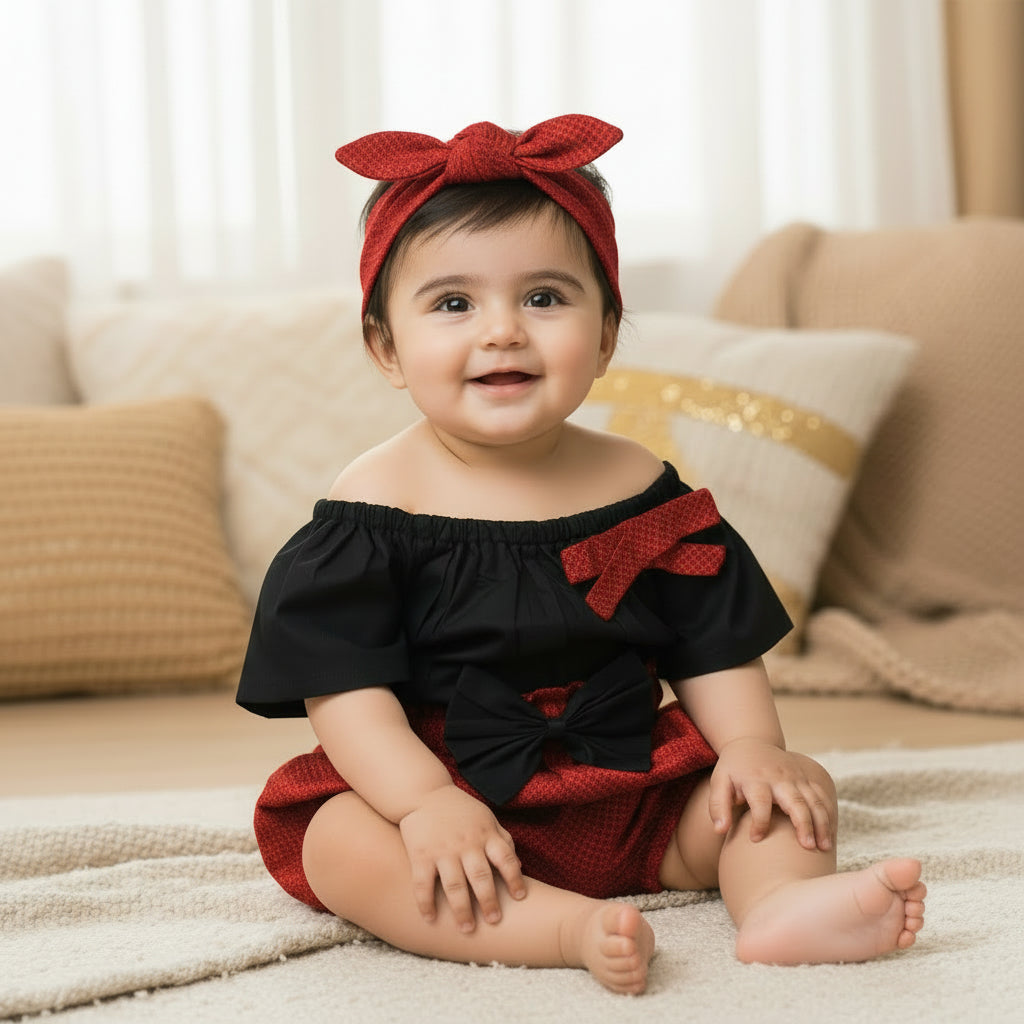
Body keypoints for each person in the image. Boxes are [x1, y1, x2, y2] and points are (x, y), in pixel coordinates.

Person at [236, 114, 926, 995]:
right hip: (447, 800)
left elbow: (711, 643)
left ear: (604, 337)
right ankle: (557, 929)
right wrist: (423, 802)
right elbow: (347, 692)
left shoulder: (642, 488)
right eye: (453, 304)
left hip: (633, 784)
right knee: (339, 841)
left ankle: (781, 906)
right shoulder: (374, 509)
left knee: (783, 791)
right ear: (386, 347)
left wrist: (754, 746)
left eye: (545, 298)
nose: (502, 332)